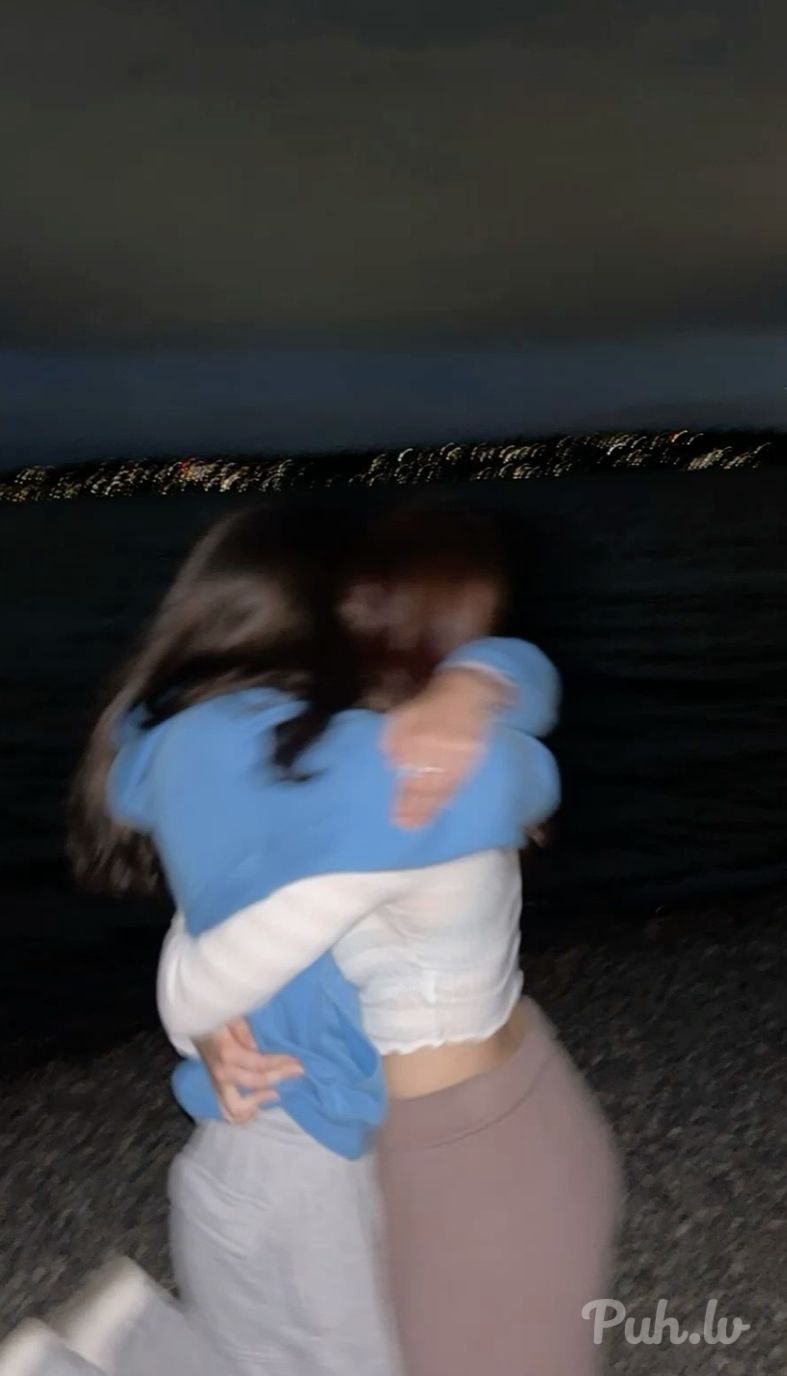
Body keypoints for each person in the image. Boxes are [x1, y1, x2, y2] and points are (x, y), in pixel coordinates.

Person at [0, 504, 565, 1376]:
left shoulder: (171, 741)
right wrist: (476, 689)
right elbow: (505, 780)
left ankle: (129, 1342)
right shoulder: (302, 753)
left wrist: (474, 679)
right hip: (303, 1155)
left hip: (265, 1146)